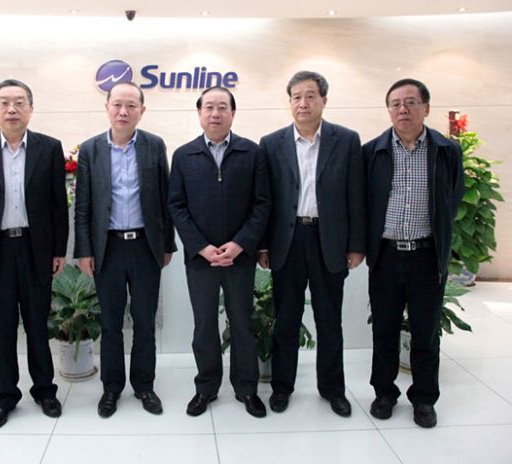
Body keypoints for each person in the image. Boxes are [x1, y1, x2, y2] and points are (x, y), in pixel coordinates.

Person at [0, 79, 68, 429]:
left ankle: (45, 391)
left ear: (30, 109)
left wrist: (58, 249)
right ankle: (4, 397)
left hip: (36, 250)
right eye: (5, 102)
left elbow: (57, 205)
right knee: (3, 329)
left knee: (38, 326)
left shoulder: (49, 148)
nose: (12, 109)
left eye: (19, 102)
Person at [258, 70, 366, 417]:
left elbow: (356, 196)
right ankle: (282, 387)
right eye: (296, 97)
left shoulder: (346, 140)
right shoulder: (271, 143)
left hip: (328, 240)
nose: (302, 103)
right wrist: (263, 245)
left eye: (310, 96)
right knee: (286, 319)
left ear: (323, 100)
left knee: (329, 320)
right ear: (289, 102)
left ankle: (333, 389)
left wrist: (356, 244)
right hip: (287, 242)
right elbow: (264, 200)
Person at [363, 78, 464, 428]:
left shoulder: (446, 151)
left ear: (426, 108)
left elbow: (452, 198)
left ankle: (424, 398)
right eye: (395, 103)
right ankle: (384, 393)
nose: (402, 109)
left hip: (426, 255)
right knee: (384, 330)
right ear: (389, 110)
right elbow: (364, 202)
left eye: (410, 102)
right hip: (386, 255)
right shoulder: (372, 151)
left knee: (425, 331)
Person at [74, 81, 176, 418]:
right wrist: (85, 250)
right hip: (108, 249)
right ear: (107, 107)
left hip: (146, 246)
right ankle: (112, 388)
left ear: (141, 111)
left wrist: (167, 244)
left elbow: (165, 198)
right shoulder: (91, 149)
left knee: (145, 322)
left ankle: (144, 386)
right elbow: (83, 206)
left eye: (131, 105)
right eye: (117, 104)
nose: (123, 111)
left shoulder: (154, 145)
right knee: (111, 323)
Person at [168, 86, 271, 418]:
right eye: (209, 107)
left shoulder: (252, 153)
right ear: (199, 113)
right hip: (201, 259)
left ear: (233, 113)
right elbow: (176, 206)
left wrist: (240, 244)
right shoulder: (184, 155)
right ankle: (206, 387)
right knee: (204, 325)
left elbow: (262, 204)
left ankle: (246, 388)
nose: (215, 113)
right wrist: (201, 247)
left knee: (242, 323)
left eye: (222, 107)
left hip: (240, 257)